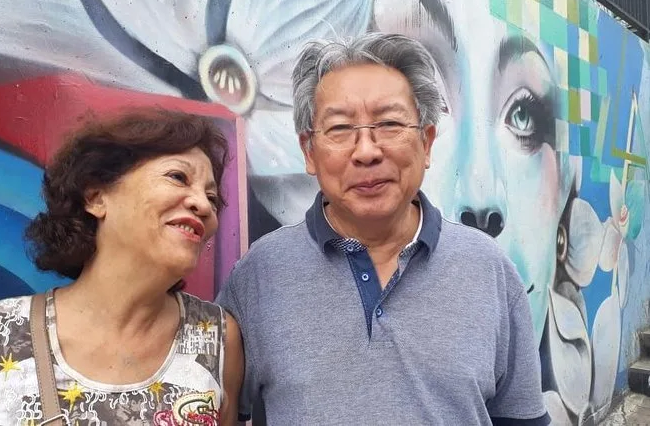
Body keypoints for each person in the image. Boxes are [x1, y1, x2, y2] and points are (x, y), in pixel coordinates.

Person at [216, 33, 550, 425]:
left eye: (390, 124)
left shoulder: (489, 270)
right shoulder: (258, 276)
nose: (367, 151)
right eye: (340, 128)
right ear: (309, 151)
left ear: (426, 143)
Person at [0, 110, 243, 425]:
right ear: (96, 197)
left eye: (212, 198)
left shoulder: (218, 339)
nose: (203, 206)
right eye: (178, 177)